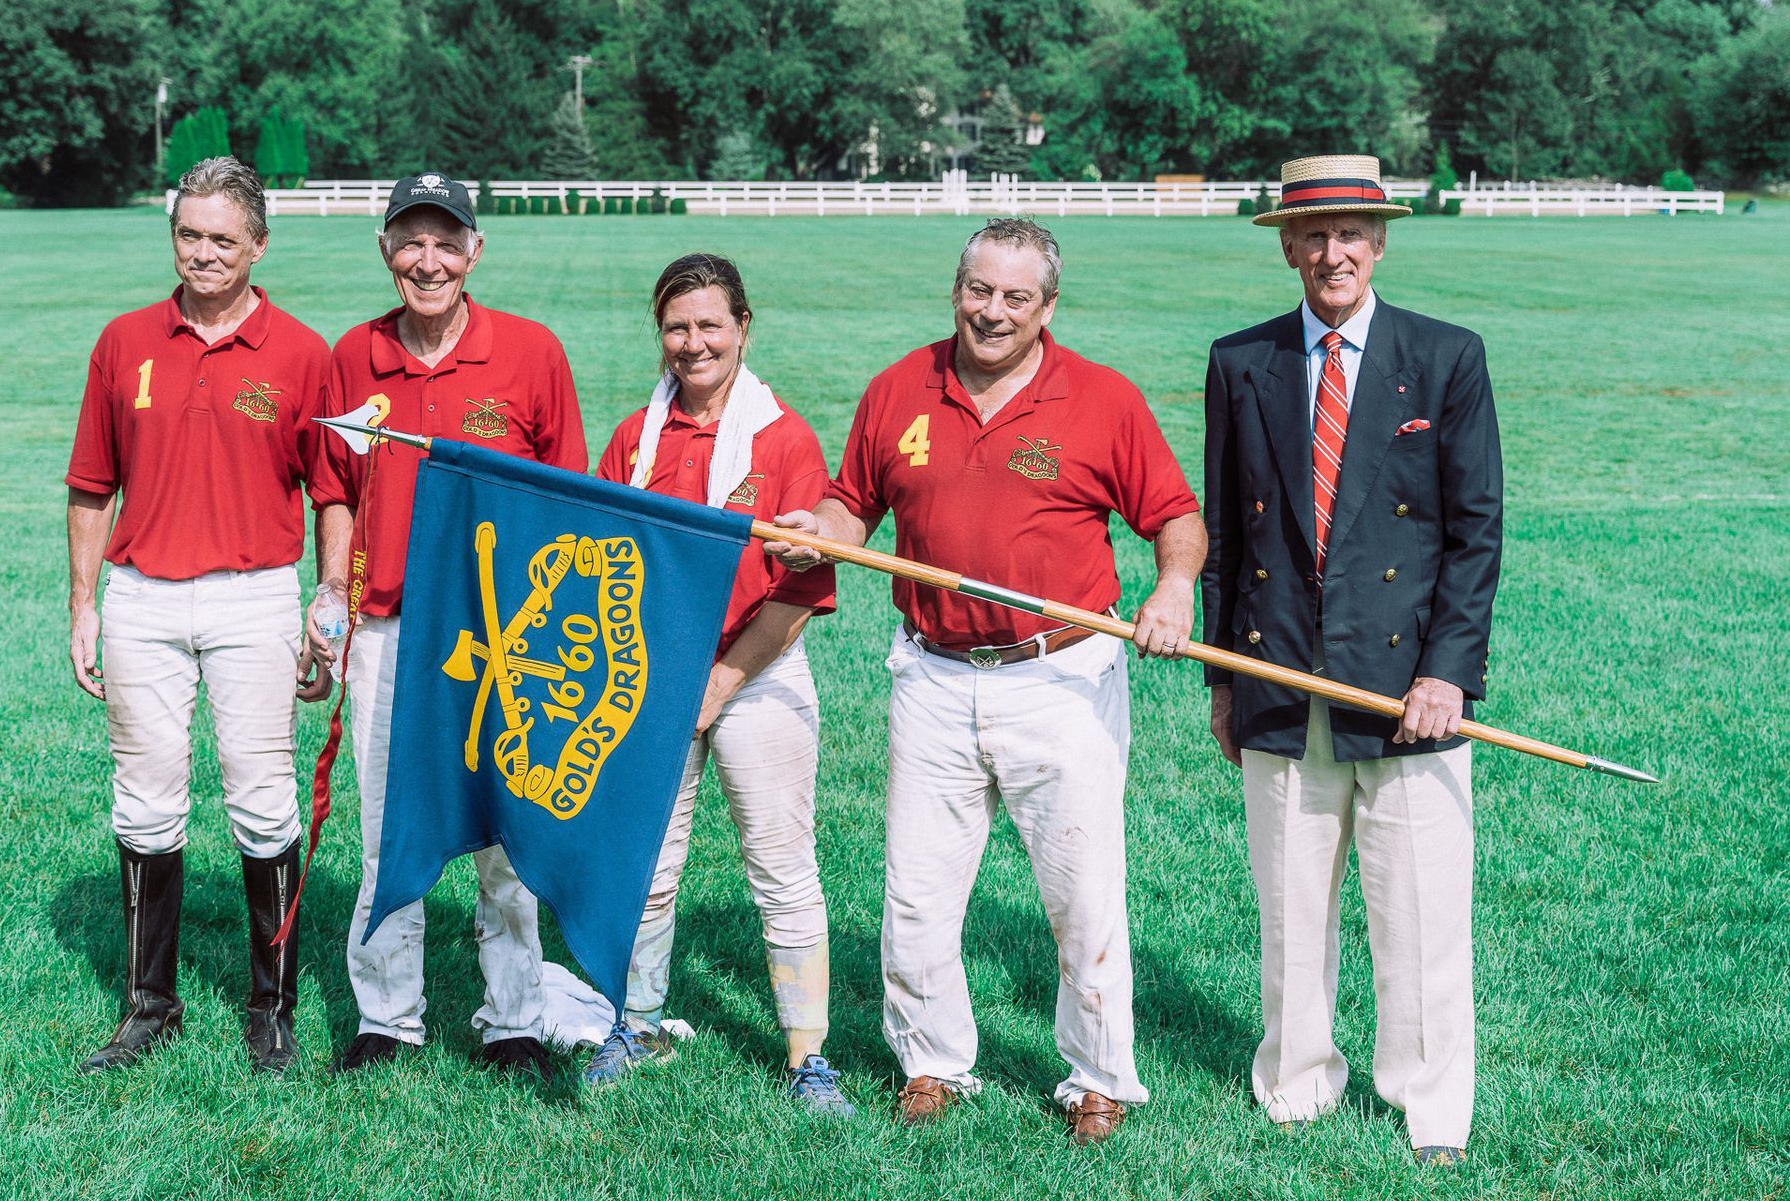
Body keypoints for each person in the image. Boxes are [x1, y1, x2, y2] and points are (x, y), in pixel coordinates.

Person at [766, 218, 1206, 1145]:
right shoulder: (900, 388)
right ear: (954, 289)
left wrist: (1173, 587)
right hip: (931, 673)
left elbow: (1173, 515)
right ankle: (933, 1064)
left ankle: (1100, 1079)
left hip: (1061, 675)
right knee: (919, 894)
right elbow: (855, 504)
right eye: (978, 290)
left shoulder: (1100, 398)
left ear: (1048, 307)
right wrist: (823, 532)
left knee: (1081, 892)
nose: (991, 312)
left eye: (1015, 297)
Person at [1201, 155, 1502, 1165]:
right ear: (1286, 244)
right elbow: (1227, 539)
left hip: (1410, 685)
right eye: (1314, 234)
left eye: (1353, 233)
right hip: (1280, 677)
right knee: (1291, 904)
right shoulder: (1240, 362)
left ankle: (1430, 1108)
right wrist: (1221, 680)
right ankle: (1295, 1084)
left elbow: (1474, 535)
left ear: (1381, 243)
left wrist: (1447, 672)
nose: (1333, 252)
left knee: (1418, 909)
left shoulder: (1446, 356)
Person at [305, 173, 589, 1077]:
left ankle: (511, 1019)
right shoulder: (355, 356)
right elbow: (335, 492)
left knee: (507, 830)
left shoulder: (532, 352)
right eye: (409, 241)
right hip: (388, 633)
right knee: (391, 831)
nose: (427, 261)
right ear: (386, 249)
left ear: (474, 251)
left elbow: (568, 500)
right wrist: (332, 595)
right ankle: (387, 1016)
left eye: (445, 242)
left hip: (504, 640)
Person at [66, 157, 328, 1074]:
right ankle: (150, 1008)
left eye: (223, 237)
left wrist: (326, 609)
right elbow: (92, 485)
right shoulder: (124, 340)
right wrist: (83, 606)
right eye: (189, 234)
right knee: (145, 803)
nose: (204, 252)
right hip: (140, 597)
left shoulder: (303, 354)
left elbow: (332, 492)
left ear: (259, 243)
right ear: (171, 235)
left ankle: (272, 1005)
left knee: (263, 802)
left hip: (255, 595)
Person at [583, 253, 848, 1112]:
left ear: (743, 328)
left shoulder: (784, 438)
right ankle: (638, 1022)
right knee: (648, 862)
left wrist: (722, 684)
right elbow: (601, 559)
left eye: (709, 325)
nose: (692, 344)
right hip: (648, 672)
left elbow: (800, 592)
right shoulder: (635, 435)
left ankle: (808, 1057)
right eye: (676, 327)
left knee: (779, 864)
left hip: (760, 669)